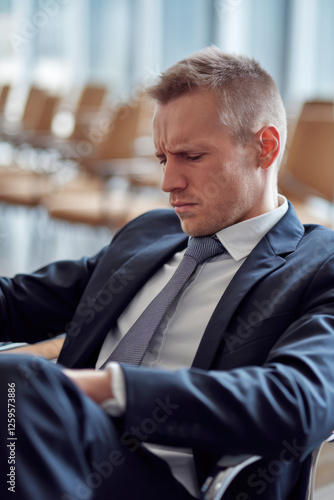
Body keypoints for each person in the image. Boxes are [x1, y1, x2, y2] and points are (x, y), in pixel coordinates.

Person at [1, 46, 334, 500]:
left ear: (265, 147)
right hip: (61, 447)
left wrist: (102, 387)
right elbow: (21, 300)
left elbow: (298, 401)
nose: (168, 182)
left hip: (173, 479)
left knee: (15, 385)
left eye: (192, 157)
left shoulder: (317, 266)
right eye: (163, 159)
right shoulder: (151, 234)